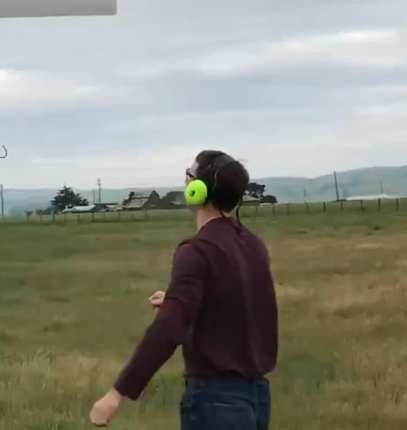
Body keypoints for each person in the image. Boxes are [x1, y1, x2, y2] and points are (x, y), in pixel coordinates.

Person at [88, 150, 278, 429]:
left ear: (197, 190)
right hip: (258, 397)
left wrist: (117, 394)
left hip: (216, 403)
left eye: (189, 175)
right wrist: (177, 299)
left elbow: (168, 328)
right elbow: (242, 301)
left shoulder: (197, 251)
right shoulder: (253, 244)